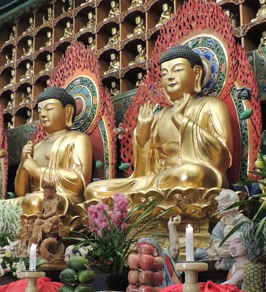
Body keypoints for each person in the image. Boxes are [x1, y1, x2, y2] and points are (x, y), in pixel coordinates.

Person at [85, 45, 233, 199]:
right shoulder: (159, 116)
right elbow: (144, 171)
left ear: (197, 73)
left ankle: (152, 197)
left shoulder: (210, 106)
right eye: (164, 73)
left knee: (189, 175)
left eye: (177, 70)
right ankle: (154, 197)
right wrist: (143, 131)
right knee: (94, 190)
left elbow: (221, 157)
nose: (170, 77)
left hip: (191, 176)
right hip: (158, 179)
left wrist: (181, 121)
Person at [13, 86, 93, 215]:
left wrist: (38, 171)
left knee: (35, 202)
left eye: (49, 109)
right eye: (40, 111)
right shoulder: (36, 147)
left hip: (65, 198)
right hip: (34, 198)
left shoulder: (78, 139)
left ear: (68, 111)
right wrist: (23, 163)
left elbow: (80, 181)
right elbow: (21, 192)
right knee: (2, 206)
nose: (43, 114)